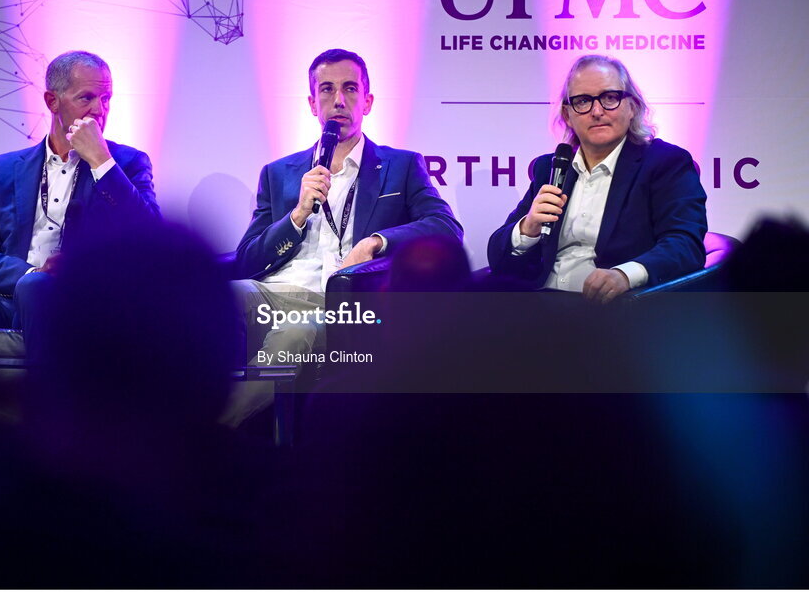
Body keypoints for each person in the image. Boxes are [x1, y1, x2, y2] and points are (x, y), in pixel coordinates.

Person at [228, 48, 462, 426]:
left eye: (350, 89)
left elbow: (446, 227)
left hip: (345, 303)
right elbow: (247, 260)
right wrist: (296, 215)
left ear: (367, 101)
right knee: (211, 295)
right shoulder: (279, 172)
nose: (338, 100)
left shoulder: (400, 165)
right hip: (278, 293)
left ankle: (212, 430)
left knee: (295, 333)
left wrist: (377, 242)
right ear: (311, 102)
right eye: (327, 89)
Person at [0, 50, 160, 348]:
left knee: (37, 288)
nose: (99, 109)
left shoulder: (126, 162)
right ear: (52, 101)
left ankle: (48, 392)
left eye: (106, 98)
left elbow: (150, 238)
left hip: (81, 300)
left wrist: (101, 163)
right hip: (6, 296)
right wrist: (30, 273)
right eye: (87, 98)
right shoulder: (1, 169)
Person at [487, 54, 707, 303]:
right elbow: (497, 254)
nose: (597, 111)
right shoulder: (550, 167)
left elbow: (685, 244)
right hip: (540, 307)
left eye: (610, 98)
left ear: (632, 106)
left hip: (615, 312)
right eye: (583, 101)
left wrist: (625, 275)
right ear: (568, 115)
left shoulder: (666, 163)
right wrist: (527, 228)